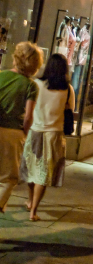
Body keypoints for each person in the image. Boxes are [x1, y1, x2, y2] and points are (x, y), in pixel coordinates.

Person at [19, 54, 75, 221]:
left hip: (34, 132)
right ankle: (33, 210)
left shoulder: (36, 84)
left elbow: (27, 108)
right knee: (43, 175)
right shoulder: (68, 89)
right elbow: (70, 110)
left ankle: (30, 200)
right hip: (54, 135)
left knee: (30, 170)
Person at [0, 41, 43, 213]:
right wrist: (25, 134)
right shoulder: (30, 85)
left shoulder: (1, 75)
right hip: (12, 133)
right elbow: (28, 116)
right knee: (8, 178)